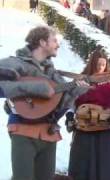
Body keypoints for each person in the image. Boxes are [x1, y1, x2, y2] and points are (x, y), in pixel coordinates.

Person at [0, 26, 88, 180]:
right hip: (23, 130)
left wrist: (75, 92)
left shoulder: (53, 74)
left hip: (49, 133)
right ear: (42, 42)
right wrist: (33, 88)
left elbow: (58, 106)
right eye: (54, 40)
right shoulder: (16, 63)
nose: (58, 44)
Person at [67, 47, 110, 180]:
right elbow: (71, 100)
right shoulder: (82, 79)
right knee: (83, 166)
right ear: (92, 63)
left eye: (103, 64)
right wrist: (70, 115)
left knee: (106, 167)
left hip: (105, 128)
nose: (101, 67)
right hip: (84, 128)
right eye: (98, 64)